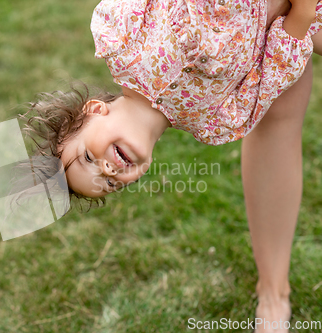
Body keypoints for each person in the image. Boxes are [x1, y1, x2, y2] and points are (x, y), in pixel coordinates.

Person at [20, 0, 322, 331]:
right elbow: (272, 72)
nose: (106, 170)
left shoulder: (120, 38)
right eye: (110, 184)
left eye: (88, 158)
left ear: (94, 110)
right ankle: (274, 291)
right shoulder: (216, 120)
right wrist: (303, 13)